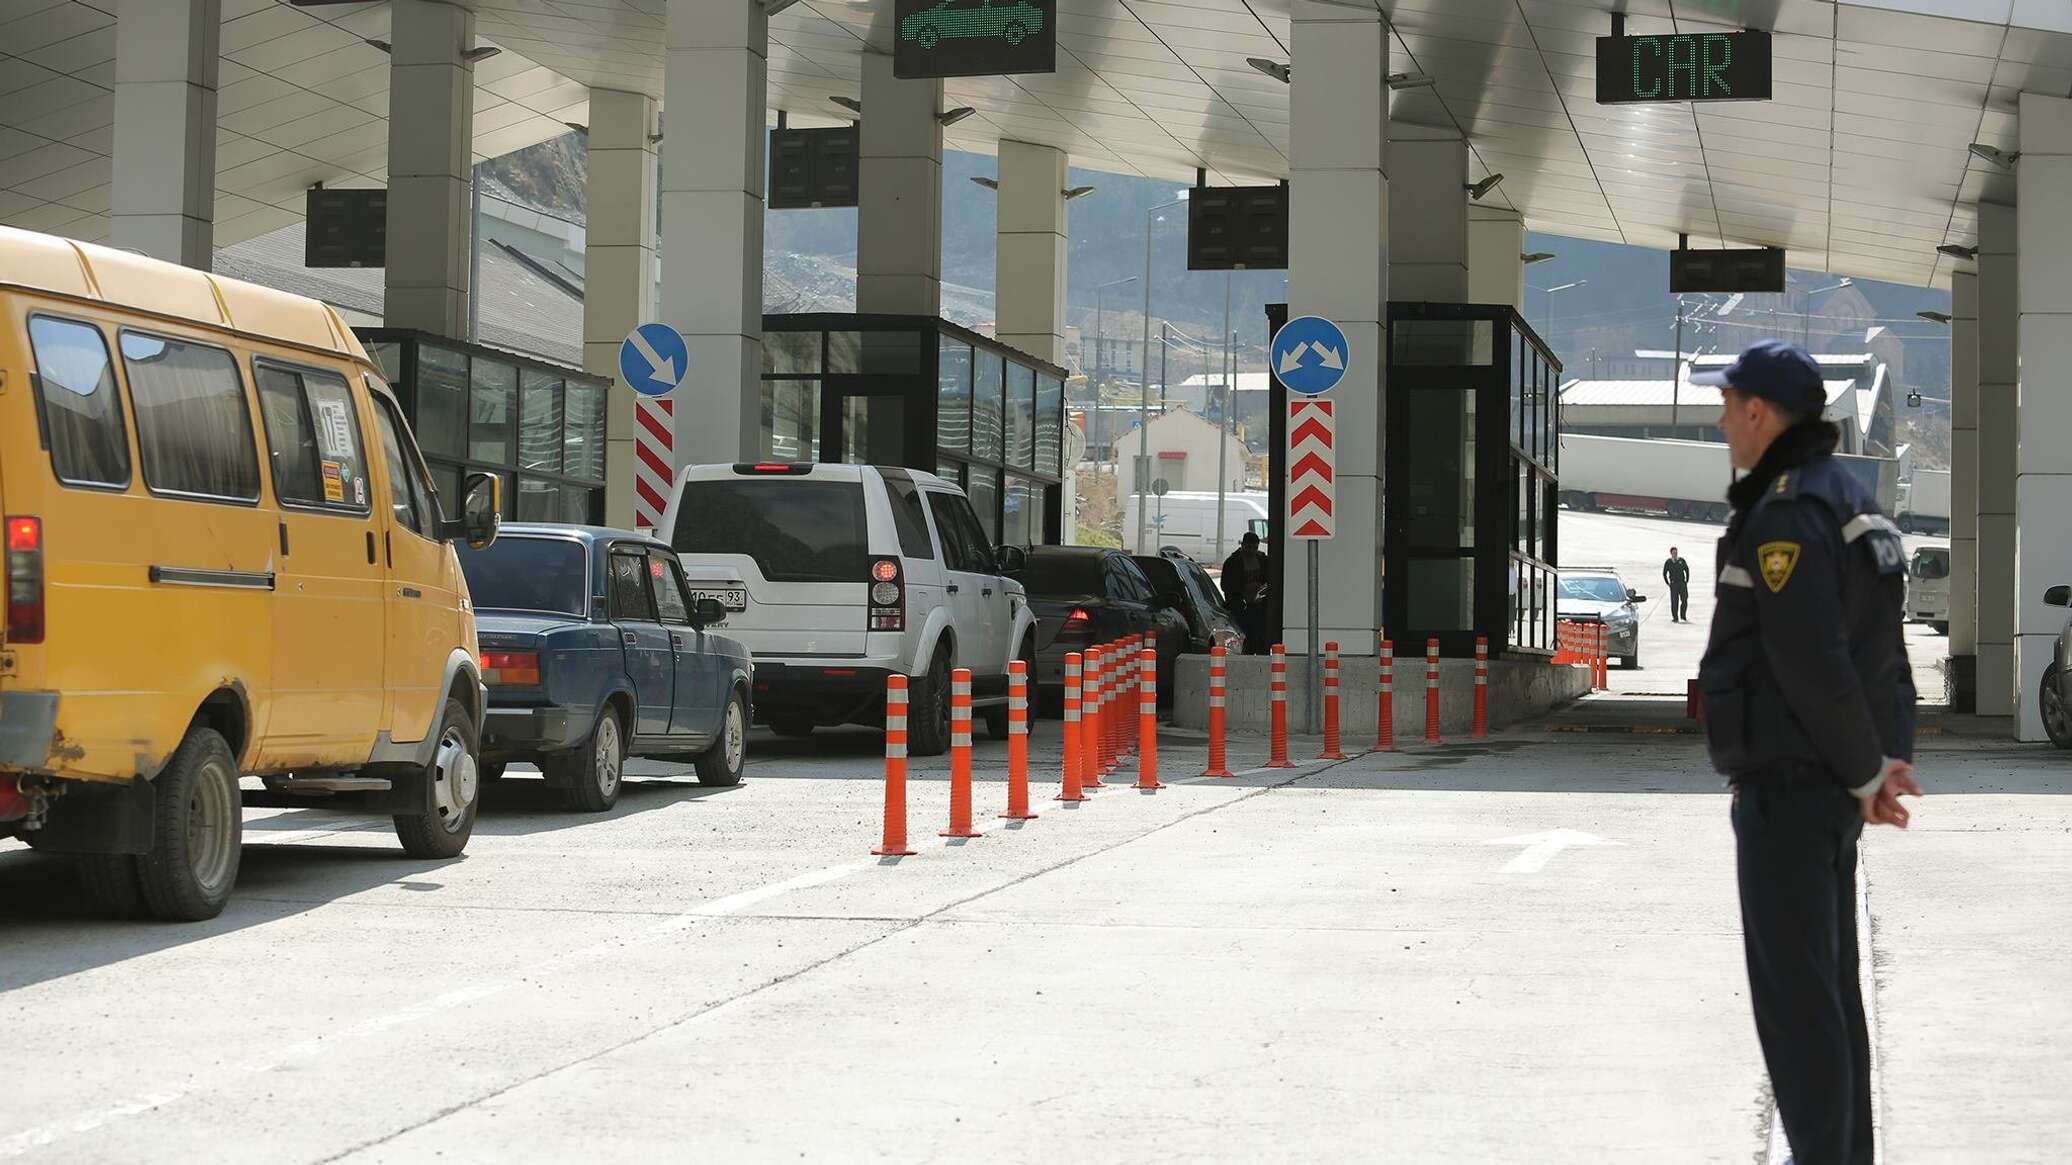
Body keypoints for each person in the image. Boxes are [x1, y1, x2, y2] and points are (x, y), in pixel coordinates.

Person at [1693, 340, 1922, 1165]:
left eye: (1728, 406)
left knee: (1797, 1004)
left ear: (1759, 411)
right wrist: (1882, 760)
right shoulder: (1853, 500)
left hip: (1789, 787)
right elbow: (1884, 657)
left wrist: (1869, 770)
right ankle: (1841, 1152)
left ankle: (1824, 1154)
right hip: (1828, 787)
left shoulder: (1787, 513)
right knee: (1829, 995)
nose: (1722, 423)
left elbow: (1812, 659)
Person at [1221, 532, 1270, 655]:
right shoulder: (1233, 562)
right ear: (1242, 545)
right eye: (1249, 547)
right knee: (1244, 636)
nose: (1251, 551)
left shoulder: (1263, 561)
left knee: (1258, 636)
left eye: (1254, 548)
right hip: (1239, 607)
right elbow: (1225, 585)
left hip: (1258, 606)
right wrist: (1244, 588)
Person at [1663, 546, 1692, 622]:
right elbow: (1664, 573)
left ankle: (1683, 615)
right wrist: (1668, 583)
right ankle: (1675, 617)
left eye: (1676, 552)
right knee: (1674, 601)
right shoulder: (1668, 562)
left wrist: (1686, 580)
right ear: (1671, 553)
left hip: (1682, 583)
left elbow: (1686, 569)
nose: (1675, 554)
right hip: (1674, 584)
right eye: (1673, 553)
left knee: (1684, 600)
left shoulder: (1681, 560)